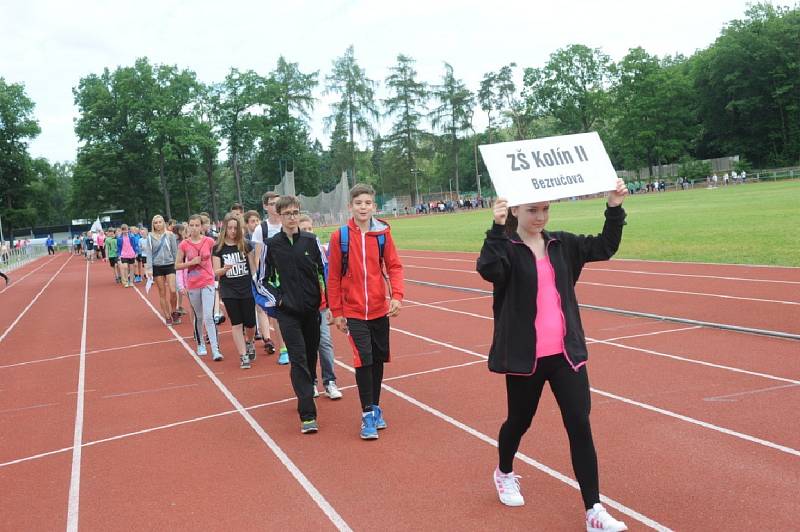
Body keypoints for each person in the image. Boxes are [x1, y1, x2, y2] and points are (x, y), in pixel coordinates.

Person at [477, 179, 629, 532]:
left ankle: (594, 509)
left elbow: (605, 246)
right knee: (519, 421)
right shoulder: (507, 248)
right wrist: (496, 229)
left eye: (545, 209)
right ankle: (504, 472)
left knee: (579, 424)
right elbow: (489, 269)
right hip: (525, 358)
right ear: (515, 210)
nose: (540, 216)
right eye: (532, 210)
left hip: (566, 354)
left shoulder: (563, 244)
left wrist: (614, 206)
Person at [327, 183, 404, 440]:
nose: (363, 207)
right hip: (354, 311)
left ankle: (376, 407)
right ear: (350, 206)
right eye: (358, 203)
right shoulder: (340, 237)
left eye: (367, 203)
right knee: (364, 359)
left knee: (379, 360)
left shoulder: (382, 234)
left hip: (380, 309)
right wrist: (337, 311)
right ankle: (367, 414)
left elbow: (394, 266)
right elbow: (334, 276)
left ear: (374, 206)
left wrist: (397, 295)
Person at [262, 196, 328, 433]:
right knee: (298, 359)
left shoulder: (311, 241)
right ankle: (307, 415)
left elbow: (325, 271)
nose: (292, 217)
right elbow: (262, 280)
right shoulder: (271, 245)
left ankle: (308, 385)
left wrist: (327, 302)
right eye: (287, 213)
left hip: (312, 311)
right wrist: (278, 300)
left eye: (295, 212)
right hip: (287, 313)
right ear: (279, 216)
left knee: (311, 357)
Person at [298, 214, 343, 400]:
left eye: (310, 228)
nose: (309, 232)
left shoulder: (321, 251)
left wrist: (332, 305)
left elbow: (328, 278)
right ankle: (311, 382)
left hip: (321, 306)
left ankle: (330, 381)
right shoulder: (293, 252)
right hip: (301, 308)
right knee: (307, 347)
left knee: (324, 343)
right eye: (304, 229)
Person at [213, 212, 258, 370]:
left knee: (250, 324)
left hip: (246, 288)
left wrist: (257, 282)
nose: (232, 231)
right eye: (229, 228)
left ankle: (250, 342)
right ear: (224, 228)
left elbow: (253, 268)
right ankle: (243, 355)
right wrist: (223, 270)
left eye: (235, 228)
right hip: (229, 290)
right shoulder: (218, 248)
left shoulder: (245, 244)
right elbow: (215, 272)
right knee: (237, 324)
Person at [176, 215, 223, 361]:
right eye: (192, 225)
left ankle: (215, 350)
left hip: (207, 281)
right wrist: (191, 263)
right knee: (199, 315)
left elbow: (216, 258)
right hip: (193, 284)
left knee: (209, 316)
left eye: (197, 225)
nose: (195, 228)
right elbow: (177, 265)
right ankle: (200, 342)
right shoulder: (184, 244)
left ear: (202, 227)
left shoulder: (209, 241)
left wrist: (217, 275)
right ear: (188, 227)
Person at [252, 191, 287, 363]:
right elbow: (258, 256)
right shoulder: (261, 229)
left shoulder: (288, 222)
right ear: (265, 206)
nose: (275, 206)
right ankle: (284, 349)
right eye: (272, 203)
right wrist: (258, 278)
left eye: (278, 202)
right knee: (278, 314)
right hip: (272, 277)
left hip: (291, 274)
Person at [143, 215, 180, 325]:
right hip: (157, 266)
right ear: (153, 224)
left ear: (163, 223)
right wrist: (149, 268)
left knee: (173, 290)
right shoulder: (150, 236)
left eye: (160, 222)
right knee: (162, 292)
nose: (158, 224)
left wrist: (177, 265)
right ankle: (167, 315)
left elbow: (175, 251)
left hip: (170, 265)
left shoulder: (170, 235)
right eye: (156, 222)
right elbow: (149, 253)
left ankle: (174, 311)